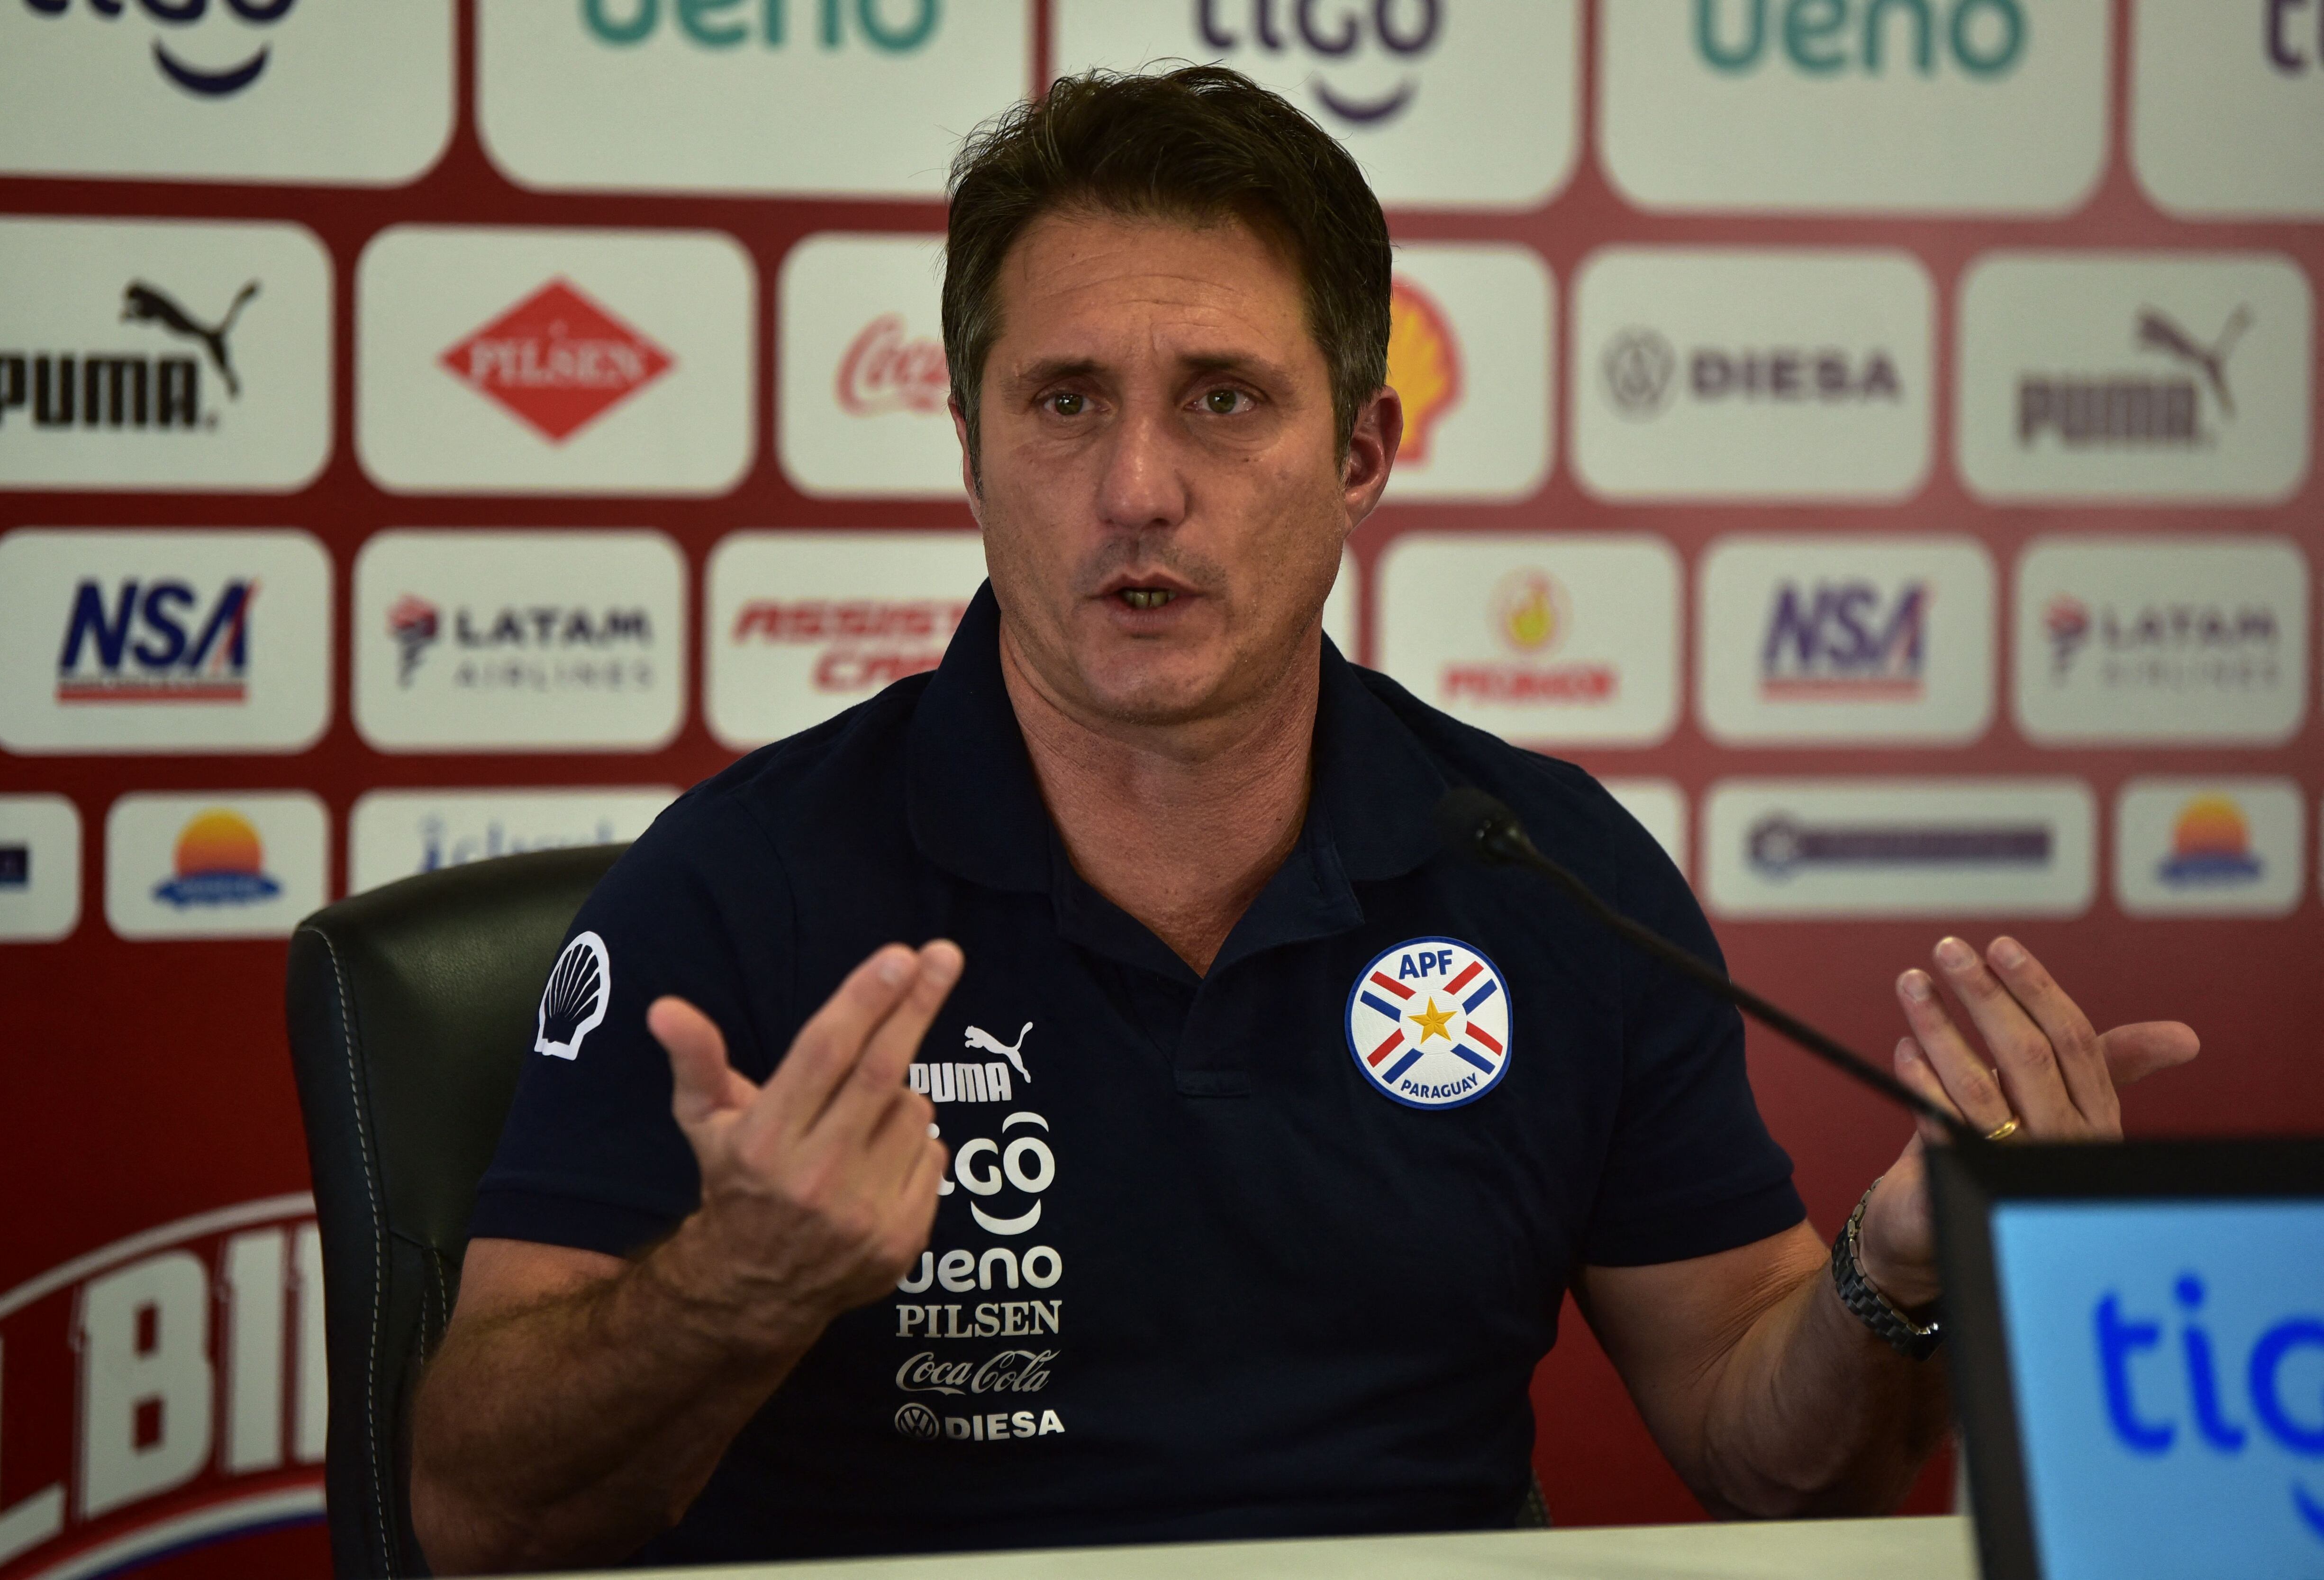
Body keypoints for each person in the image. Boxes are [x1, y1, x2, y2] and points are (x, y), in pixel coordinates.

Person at [409, 66, 2199, 1574]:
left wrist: (1895, 1280)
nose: (1137, 489)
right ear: (968, 447)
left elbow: (1773, 1458)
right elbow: (471, 1514)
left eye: (1224, 400)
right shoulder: (742, 886)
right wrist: (737, 1282)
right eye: (1064, 403)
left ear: (1360, 453)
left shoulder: (1551, 871)